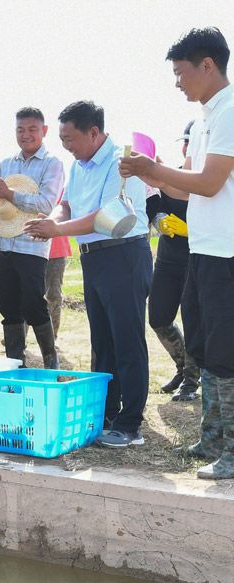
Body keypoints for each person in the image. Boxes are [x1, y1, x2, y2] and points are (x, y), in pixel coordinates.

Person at [120, 27, 234, 479]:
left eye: (181, 72)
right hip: (201, 251)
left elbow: (209, 183)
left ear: (208, 65)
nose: (177, 82)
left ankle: (232, 450)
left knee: (226, 352)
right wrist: (149, 176)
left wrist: (156, 167)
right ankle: (212, 439)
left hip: (227, 253)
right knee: (204, 347)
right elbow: (185, 189)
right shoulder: (205, 118)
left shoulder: (230, 111)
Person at [25, 100, 152, 448]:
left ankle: (131, 424)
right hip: (94, 259)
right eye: (62, 139)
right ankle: (106, 413)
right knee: (103, 342)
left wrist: (56, 230)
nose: (66, 145)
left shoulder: (121, 163)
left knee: (127, 340)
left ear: (93, 132)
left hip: (124, 254)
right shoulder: (79, 164)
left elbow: (104, 216)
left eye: (70, 138)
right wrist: (53, 218)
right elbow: (68, 204)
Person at [0, 107, 64, 368]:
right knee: (7, 306)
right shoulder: (6, 164)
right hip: (4, 244)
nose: (26, 134)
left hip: (32, 245)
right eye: (20, 129)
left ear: (44, 131)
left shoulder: (52, 163)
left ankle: (50, 360)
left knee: (33, 304)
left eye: (32, 129)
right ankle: (15, 362)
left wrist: (8, 194)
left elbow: (46, 204)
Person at [145, 121, 199, 402]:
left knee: (193, 320)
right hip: (167, 259)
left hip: (197, 260)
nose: (187, 147)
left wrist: (192, 229)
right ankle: (182, 366)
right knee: (158, 317)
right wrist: (159, 220)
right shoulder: (170, 177)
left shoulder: (211, 181)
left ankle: (191, 380)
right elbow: (154, 207)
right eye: (185, 141)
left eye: (192, 141)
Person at [46, 223, 72, 339]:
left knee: (54, 295)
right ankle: (19, 336)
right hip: (32, 248)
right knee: (28, 292)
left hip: (57, 250)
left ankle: (51, 337)